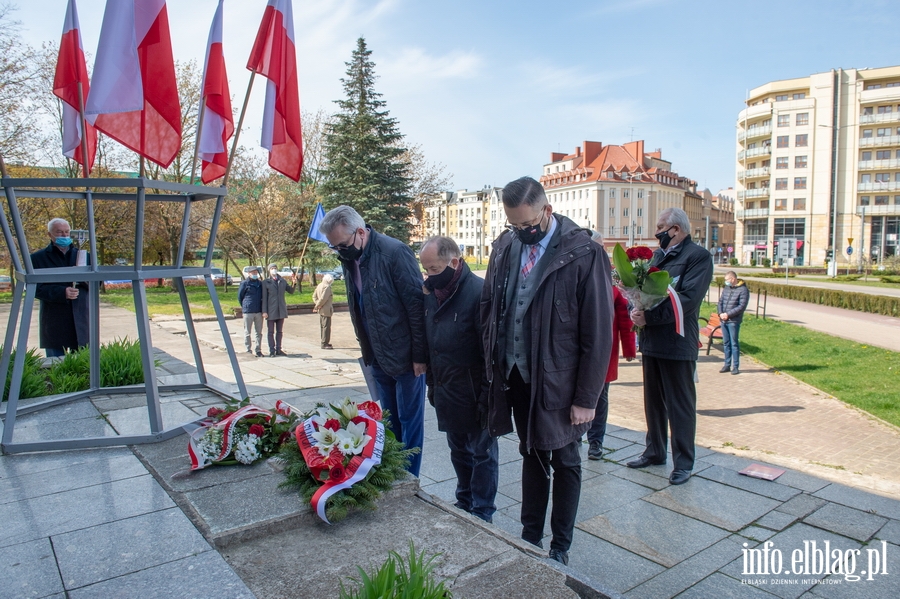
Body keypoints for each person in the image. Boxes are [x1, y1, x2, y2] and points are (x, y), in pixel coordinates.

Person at [481, 176, 613, 566]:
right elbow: (491, 307)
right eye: (514, 225)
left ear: (547, 211)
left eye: (529, 225)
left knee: (566, 460)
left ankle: (560, 546)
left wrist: (587, 398)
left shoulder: (584, 253)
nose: (522, 233)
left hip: (562, 381)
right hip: (516, 374)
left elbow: (599, 332)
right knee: (531, 452)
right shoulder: (506, 246)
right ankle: (530, 535)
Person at [319, 206, 427, 477]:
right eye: (335, 248)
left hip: (406, 356)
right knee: (387, 422)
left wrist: (420, 356)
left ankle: (409, 479)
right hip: (376, 356)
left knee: (409, 422)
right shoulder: (349, 257)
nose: (340, 251)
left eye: (342, 245)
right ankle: (391, 474)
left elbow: (416, 307)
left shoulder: (394, 252)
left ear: (360, 232)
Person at [628, 207, 714, 486]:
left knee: (680, 405)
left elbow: (688, 299)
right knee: (653, 403)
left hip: (677, 342)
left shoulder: (698, 257)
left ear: (676, 229)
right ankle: (654, 451)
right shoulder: (657, 257)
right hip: (653, 341)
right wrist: (636, 309)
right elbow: (643, 291)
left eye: (661, 227)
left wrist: (649, 317)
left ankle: (684, 463)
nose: (657, 233)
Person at [420, 236, 498, 523]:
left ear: (455, 262)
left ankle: (482, 510)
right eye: (426, 269)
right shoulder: (430, 293)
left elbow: (490, 351)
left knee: (483, 453)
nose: (430, 276)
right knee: (458, 450)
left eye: (435, 269)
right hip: (446, 386)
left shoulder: (479, 293)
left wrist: (487, 395)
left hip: (477, 389)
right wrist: (432, 382)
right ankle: (464, 499)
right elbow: (429, 341)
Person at [31, 218, 89, 357]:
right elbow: (35, 288)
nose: (64, 235)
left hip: (80, 319)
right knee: (55, 365)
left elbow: (97, 283)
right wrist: (62, 292)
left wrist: (83, 278)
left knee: (83, 366)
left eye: (67, 232)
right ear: (49, 234)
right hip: (54, 320)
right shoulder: (38, 258)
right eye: (59, 232)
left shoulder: (83, 255)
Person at [717, 270, 750, 375]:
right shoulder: (727, 288)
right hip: (723, 319)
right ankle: (727, 364)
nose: (725, 282)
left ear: (733, 279)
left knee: (734, 343)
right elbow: (720, 301)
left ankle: (735, 366)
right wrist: (721, 313)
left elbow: (741, 306)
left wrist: (728, 314)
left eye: (727, 280)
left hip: (733, 321)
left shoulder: (743, 290)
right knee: (726, 343)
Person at [261, 263, 296, 357]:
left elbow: (291, 291)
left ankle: (278, 349)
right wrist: (264, 311)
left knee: (279, 331)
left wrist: (294, 282)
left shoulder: (282, 281)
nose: (274, 270)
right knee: (270, 332)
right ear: (269, 270)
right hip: (271, 310)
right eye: (272, 268)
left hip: (281, 310)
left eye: (275, 268)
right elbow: (264, 298)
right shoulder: (266, 282)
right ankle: (272, 350)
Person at [238, 266, 264, 357]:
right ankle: (248, 349)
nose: (254, 274)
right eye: (253, 273)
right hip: (248, 311)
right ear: (249, 274)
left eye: (256, 273)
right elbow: (240, 297)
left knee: (259, 332)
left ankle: (258, 350)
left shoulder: (260, 284)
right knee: (247, 332)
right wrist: (245, 306)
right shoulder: (245, 283)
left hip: (258, 311)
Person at [312, 273, 335, 350]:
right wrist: (318, 305)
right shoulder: (327, 287)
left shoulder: (319, 285)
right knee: (326, 327)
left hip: (321, 309)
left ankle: (324, 341)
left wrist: (317, 304)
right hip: (326, 310)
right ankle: (324, 343)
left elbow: (314, 296)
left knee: (323, 326)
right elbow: (323, 298)